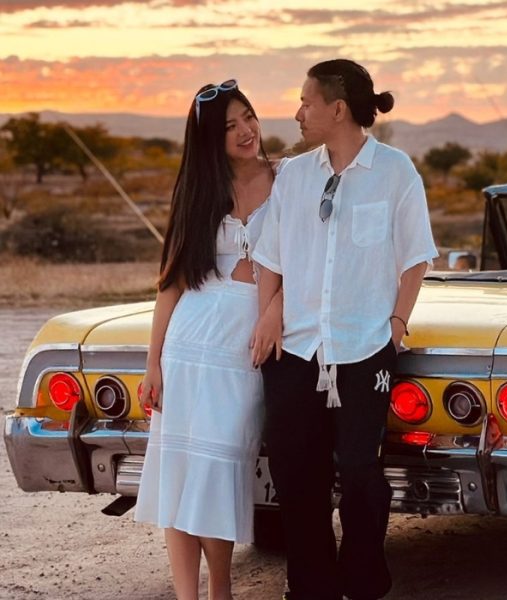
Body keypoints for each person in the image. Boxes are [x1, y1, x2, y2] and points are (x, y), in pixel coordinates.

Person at [252, 59, 438, 600]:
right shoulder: (295, 176)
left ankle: (363, 579)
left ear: (337, 108)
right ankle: (309, 587)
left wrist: (397, 326)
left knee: (360, 472)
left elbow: (416, 257)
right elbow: (272, 257)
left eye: (306, 102)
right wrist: (270, 312)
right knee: (295, 476)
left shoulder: (396, 171)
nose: (297, 112)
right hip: (296, 350)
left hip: (364, 348)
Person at [134, 78, 283, 600]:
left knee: (219, 472)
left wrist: (274, 312)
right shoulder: (199, 194)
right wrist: (152, 364)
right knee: (178, 473)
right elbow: (171, 286)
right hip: (187, 346)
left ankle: (220, 588)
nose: (246, 131)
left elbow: (305, 268)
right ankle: (187, 597)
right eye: (229, 127)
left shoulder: (288, 180)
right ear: (209, 141)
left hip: (242, 350)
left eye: (248, 117)